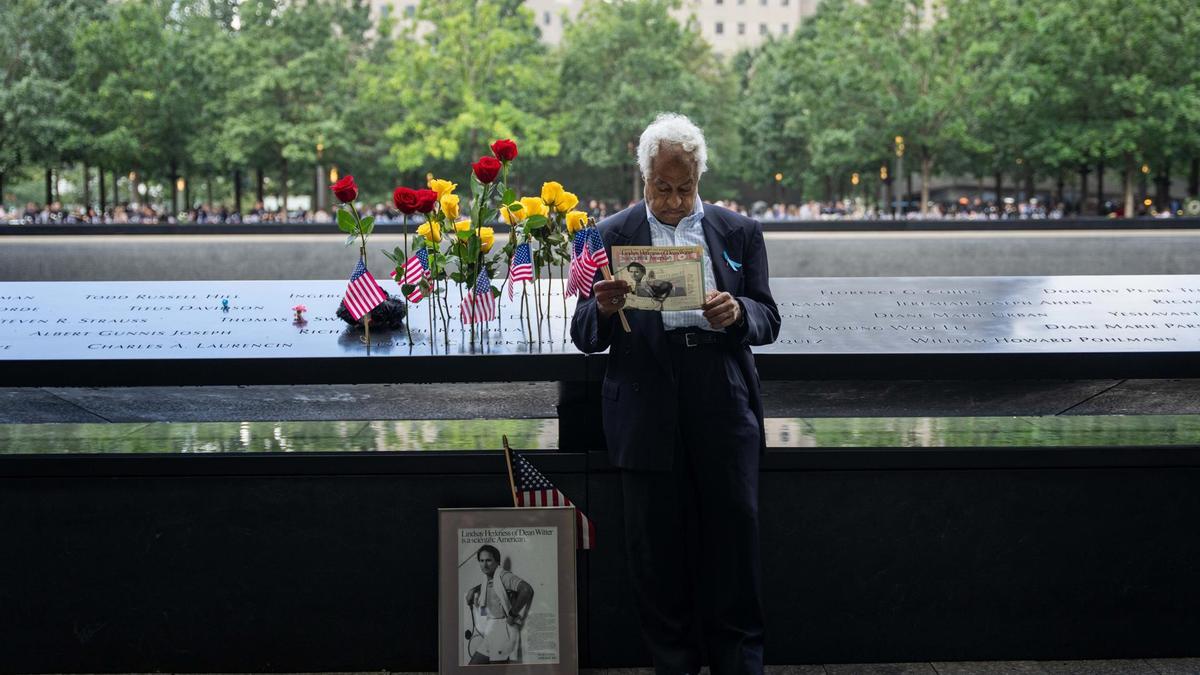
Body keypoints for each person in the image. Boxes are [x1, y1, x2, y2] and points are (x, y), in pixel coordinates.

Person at [570, 113, 780, 675]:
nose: (674, 199)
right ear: (643, 178)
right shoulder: (609, 234)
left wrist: (738, 313)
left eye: (685, 187)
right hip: (646, 397)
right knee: (653, 548)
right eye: (662, 187)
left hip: (721, 393)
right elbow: (583, 333)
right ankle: (674, 664)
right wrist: (607, 309)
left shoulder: (739, 232)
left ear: (699, 178)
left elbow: (768, 317)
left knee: (734, 538)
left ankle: (740, 662)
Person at [464, 544, 534, 665]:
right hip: (491, 631)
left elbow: (526, 590)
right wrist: (473, 590)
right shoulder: (487, 579)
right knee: (472, 667)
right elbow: (491, 587)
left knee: (496, 670)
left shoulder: (504, 576)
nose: (484, 564)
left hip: (504, 630)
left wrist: (512, 614)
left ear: (497, 561)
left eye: (488, 560)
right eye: (481, 561)